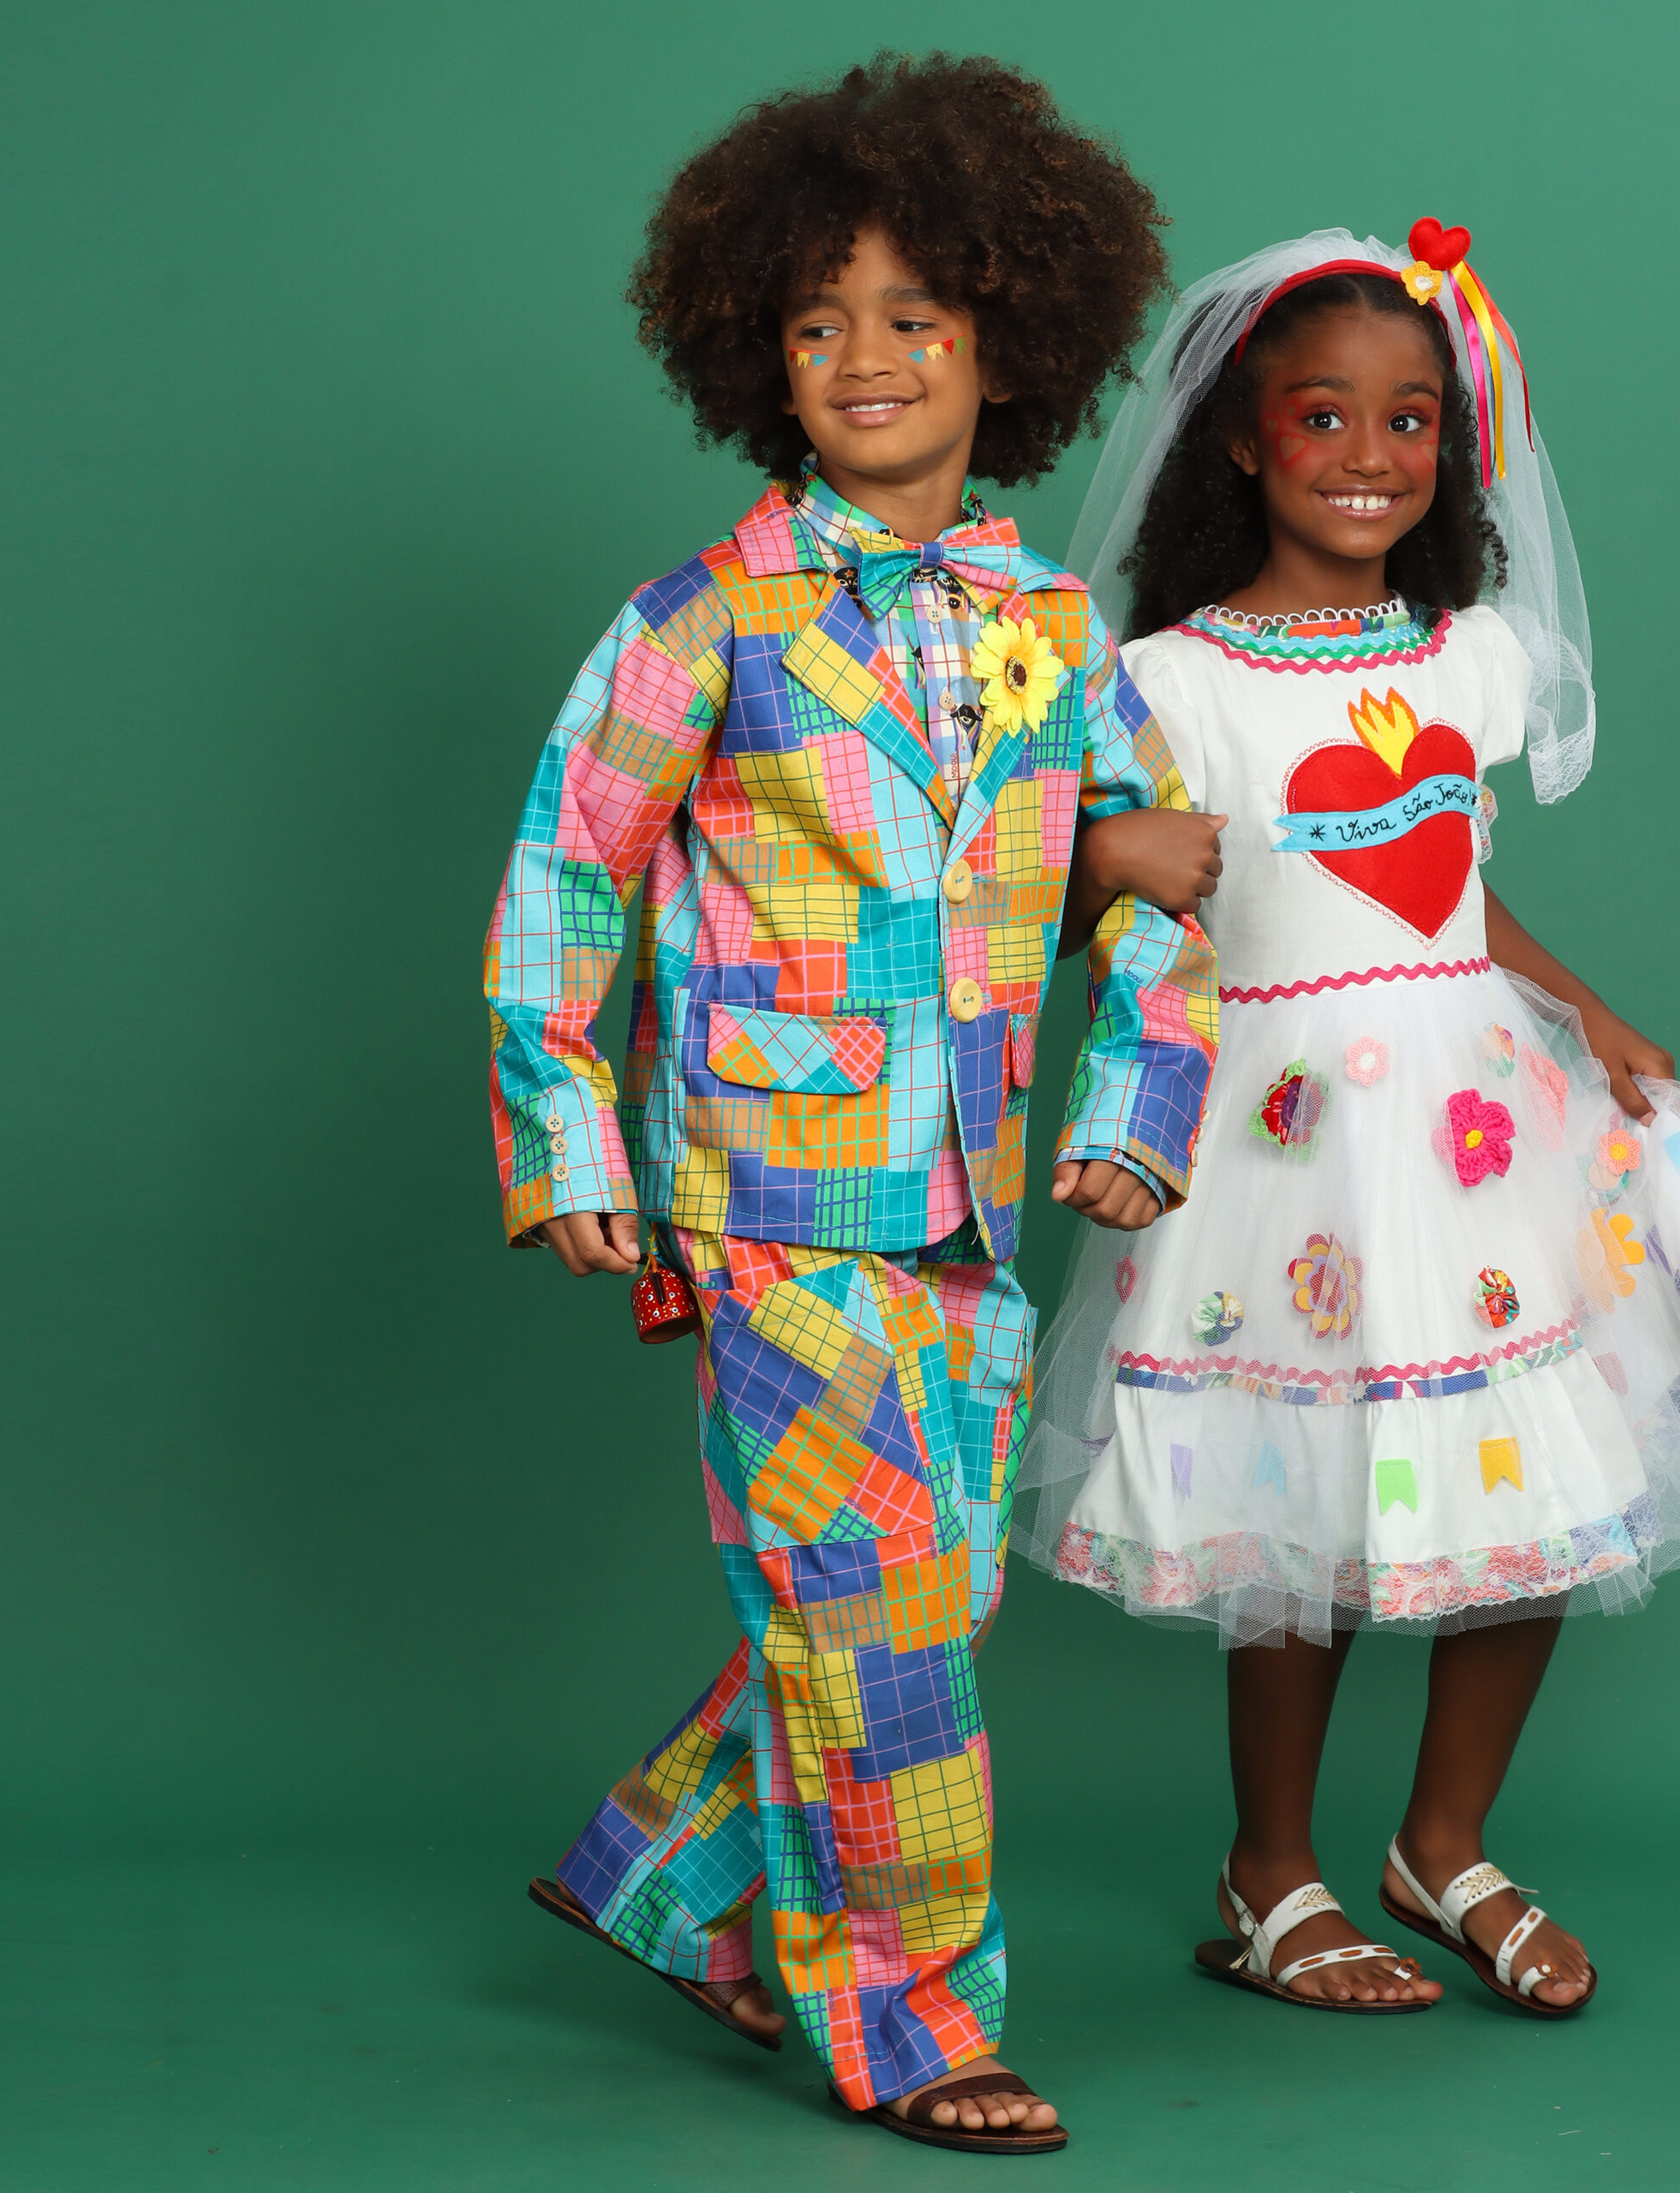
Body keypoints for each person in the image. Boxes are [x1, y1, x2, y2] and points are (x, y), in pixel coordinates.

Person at [482, 57, 1215, 2152]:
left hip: (972, 1202)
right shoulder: (702, 616)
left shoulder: (1054, 625)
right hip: (769, 1195)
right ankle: (914, 2025)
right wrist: (570, 1136)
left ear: (1009, 340)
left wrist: (1136, 1098)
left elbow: (1151, 881)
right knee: (879, 1621)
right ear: (758, 357)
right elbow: (565, 874)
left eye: (913, 315)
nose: (865, 357)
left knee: (900, 1603)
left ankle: (667, 1873)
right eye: (816, 323)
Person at [1022, 224, 1680, 2021]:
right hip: (1283, 1138)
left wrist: (1581, 1003)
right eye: (1323, 416)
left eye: (1409, 419)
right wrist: (1101, 863)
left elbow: (1441, 882)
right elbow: (1080, 901)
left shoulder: (1468, 657)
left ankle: (1444, 1843)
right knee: (1290, 1505)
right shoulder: (1171, 683)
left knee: (1543, 1469)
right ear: (1241, 442)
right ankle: (1270, 1872)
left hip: (1478, 1124)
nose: (1370, 455)